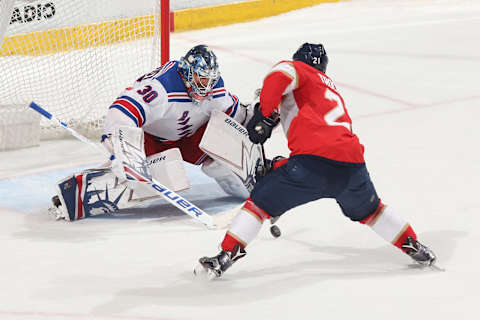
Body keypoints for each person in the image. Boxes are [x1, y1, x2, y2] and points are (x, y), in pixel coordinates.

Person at [195, 42, 437, 279]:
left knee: (259, 203)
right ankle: (414, 246)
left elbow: (278, 75)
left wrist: (264, 115)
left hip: (312, 164)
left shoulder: (298, 69)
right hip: (352, 167)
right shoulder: (327, 89)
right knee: (372, 211)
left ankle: (226, 255)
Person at [49, 44, 251, 221]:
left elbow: (235, 114)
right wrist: (124, 152)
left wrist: (258, 119)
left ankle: (255, 185)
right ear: (188, 73)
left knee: (224, 144)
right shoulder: (162, 88)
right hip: (153, 138)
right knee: (161, 174)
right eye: (200, 79)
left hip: (189, 139)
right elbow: (120, 111)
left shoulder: (216, 89)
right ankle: (76, 195)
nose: (205, 87)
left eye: (209, 80)